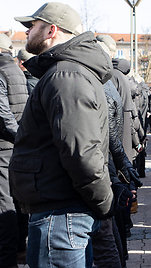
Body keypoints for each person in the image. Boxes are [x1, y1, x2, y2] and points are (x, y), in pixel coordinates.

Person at [9, 3, 114, 267]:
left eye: (32, 26)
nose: (27, 32)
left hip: (61, 214)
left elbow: (81, 152)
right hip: (58, 210)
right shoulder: (64, 72)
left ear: (51, 30)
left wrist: (102, 202)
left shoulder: (65, 75)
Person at [0, 33, 28, 268]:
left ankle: (7, 259)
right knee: (14, 201)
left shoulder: (1, 72)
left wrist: (18, 136)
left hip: (4, 147)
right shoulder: (16, 70)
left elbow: (2, 113)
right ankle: (19, 249)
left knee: (4, 204)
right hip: (14, 147)